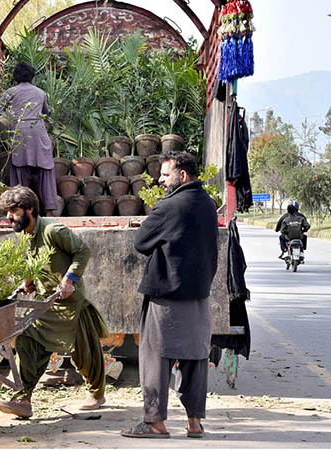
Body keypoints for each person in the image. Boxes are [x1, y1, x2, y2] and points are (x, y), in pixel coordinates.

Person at [122, 151, 218, 439]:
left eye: (165, 174)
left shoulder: (168, 206)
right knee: (195, 358)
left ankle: (155, 423)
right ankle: (194, 423)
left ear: (182, 175)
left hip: (166, 296)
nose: (160, 180)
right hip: (198, 295)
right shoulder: (208, 204)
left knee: (154, 356)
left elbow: (141, 242)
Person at [0, 185, 109, 418]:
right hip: (45, 304)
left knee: (85, 354)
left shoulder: (53, 230)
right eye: (7, 211)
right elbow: (36, 262)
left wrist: (68, 280)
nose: (9, 217)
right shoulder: (26, 235)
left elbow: (82, 251)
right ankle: (23, 398)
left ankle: (97, 394)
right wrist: (29, 281)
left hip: (71, 305)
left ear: (30, 209)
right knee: (27, 341)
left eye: (14, 211)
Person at [0, 62, 58, 217]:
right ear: (32, 76)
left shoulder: (10, 92)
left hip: (20, 133)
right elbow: (46, 112)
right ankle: (50, 212)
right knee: (46, 170)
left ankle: (18, 209)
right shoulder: (40, 93)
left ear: (15, 77)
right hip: (39, 133)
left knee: (19, 170)